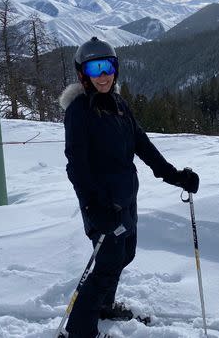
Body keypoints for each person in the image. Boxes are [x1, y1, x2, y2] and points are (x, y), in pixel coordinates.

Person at [58, 37, 199, 338]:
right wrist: (93, 208)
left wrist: (176, 176)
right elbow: (76, 167)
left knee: (126, 254)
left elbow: (142, 145)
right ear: (83, 73)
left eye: (108, 66)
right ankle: (80, 330)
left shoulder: (119, 105)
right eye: (95, 68)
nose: (103, 74)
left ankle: (104, 307)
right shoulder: (79, 111)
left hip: (126, 200)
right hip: (102, 205)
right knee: (107, 263)